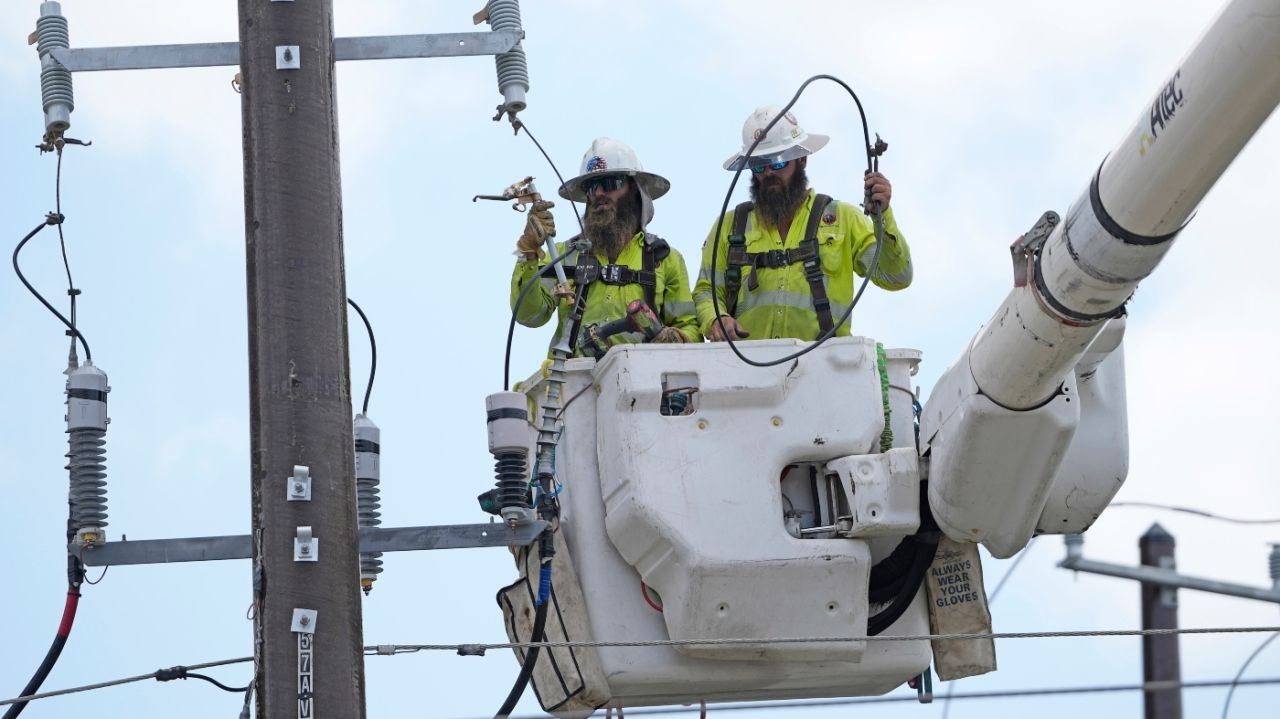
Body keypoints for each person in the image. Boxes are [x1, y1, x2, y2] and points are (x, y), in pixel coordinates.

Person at [694, 105, 913, 342]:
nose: (768, 173)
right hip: (746, 371)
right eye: (759, 166)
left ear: (801, 160)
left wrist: (883, 216)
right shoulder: (730, 227)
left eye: (778, 163)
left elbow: (896, 277)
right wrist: (716, 319)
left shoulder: (842, 219)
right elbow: (706, 290)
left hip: (823, 369)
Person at [510, 138, 701, 357]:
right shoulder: (565, 255)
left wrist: (673, 338)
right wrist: (529, 252)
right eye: (592, 187)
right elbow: (529, 315)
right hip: (572, 382)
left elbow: (691, 330)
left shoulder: (665, 259)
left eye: (610, 184)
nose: (599, 193)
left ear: (635, 190)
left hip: (641, 381)